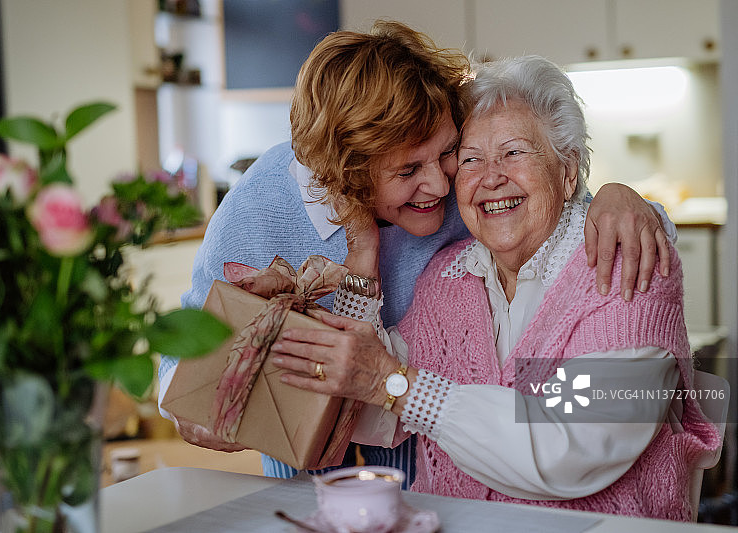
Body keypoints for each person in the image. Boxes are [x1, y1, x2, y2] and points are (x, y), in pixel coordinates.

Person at [157, 22, 674, 486]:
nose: (441, 184)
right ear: (348, 174)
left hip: (434, 461)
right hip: (309, 465)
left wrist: (623, 197)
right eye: (408, 171)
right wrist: (211, 398)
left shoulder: (468, 198)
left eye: (449, 152)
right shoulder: (259, 206)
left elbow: (569, 215)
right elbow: (186, 364)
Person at [268, 55, 720, 519]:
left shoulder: (627, 264)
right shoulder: (448, 277)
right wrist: (361, 255)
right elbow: (370, 411)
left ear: (568, 172)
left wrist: (398, 386)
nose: (491, 176)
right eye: (470, 159)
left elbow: (571, 446)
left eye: (514, 152)